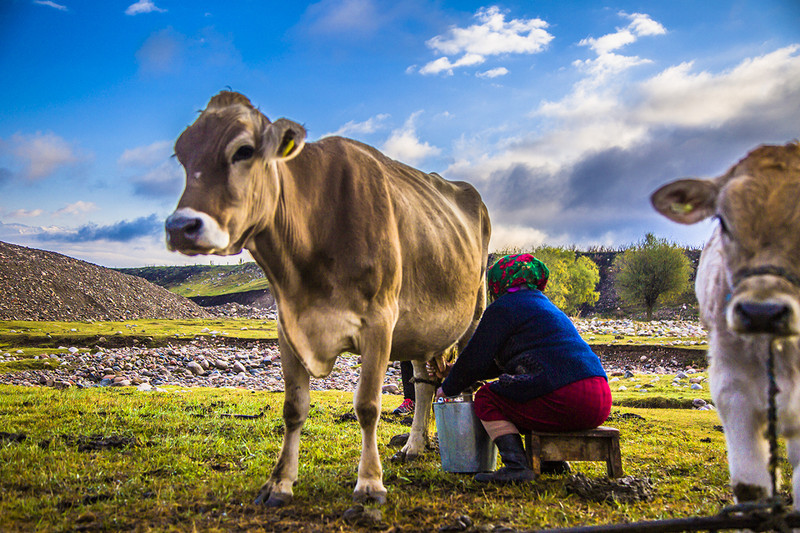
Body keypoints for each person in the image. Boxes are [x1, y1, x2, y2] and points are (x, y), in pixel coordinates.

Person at [429, 254, 611, 483]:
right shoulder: (546, 306)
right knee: (525, 393)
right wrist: (454, 370)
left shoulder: (503, 308)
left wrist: (448, 387)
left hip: (566, 398)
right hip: (599, 399)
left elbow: (476, 358)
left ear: (498, 284)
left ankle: (517, 466)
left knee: (487, 397)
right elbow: (510, 361)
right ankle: (551, 461)